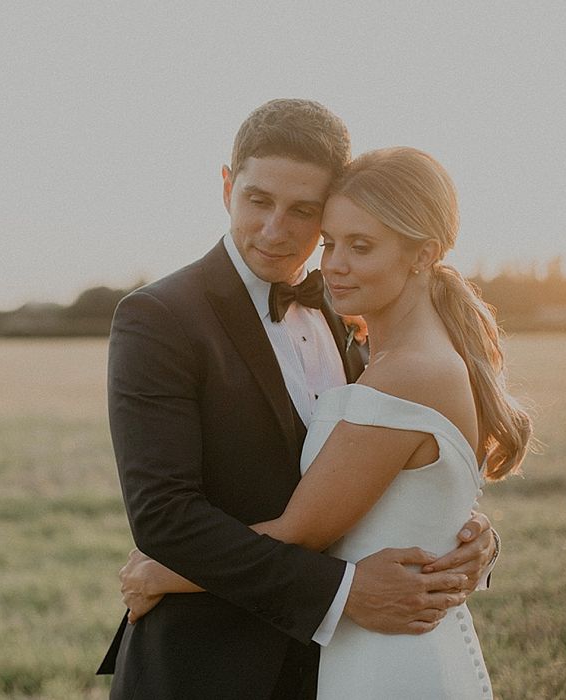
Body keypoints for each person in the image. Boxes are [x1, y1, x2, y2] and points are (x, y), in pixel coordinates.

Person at [98, 100, 498, 700]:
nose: (276, 229)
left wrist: (462, 536)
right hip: (209, 665)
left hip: (337, 666)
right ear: (228, 185)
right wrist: (340, 590)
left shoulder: (346, 311)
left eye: (304, 211)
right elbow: (163, 518)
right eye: (258, 200)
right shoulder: (158, 319)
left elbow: (383, 466)